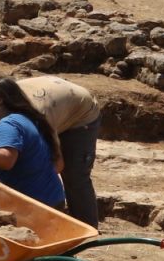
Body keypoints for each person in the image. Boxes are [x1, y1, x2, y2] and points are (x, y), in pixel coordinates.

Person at [0, 77, 66, 208]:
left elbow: (6, 160)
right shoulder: (27, 118)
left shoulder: (9, 124)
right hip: (50, 200)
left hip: (35, 206)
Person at [14, 75, 102, 224]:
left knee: (75, 176)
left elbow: (57, 164)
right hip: (56, 99)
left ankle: (87, 230)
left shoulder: (39, 118)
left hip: (80, 113)